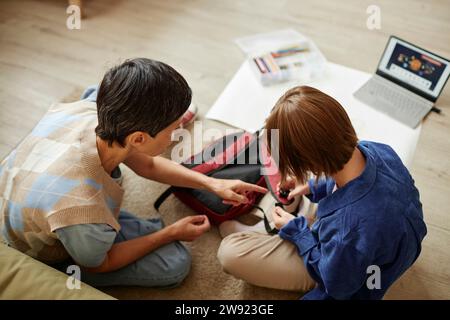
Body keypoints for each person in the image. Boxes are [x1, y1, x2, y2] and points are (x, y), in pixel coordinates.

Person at [0, 58, 267, 288]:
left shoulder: (91, 111)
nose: (176, 135)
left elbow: (148, 165)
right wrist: (170, 233)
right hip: (37, 246)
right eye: (172, 129)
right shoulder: (81, 207)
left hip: (23, 195)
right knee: (175, 265)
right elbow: (99, 264)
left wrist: (212, 184)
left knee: (92, 98)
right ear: (139, 139)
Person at [217, 85, 427, 299]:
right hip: (390, 244)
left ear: (311, 162)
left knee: (229, 253)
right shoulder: (379, 150)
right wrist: (311, 185)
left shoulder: (348, 229)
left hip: (349, 276)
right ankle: (279, 228)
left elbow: (336, 284)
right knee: (296, 200)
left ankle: (280, 231)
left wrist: (298, 232)